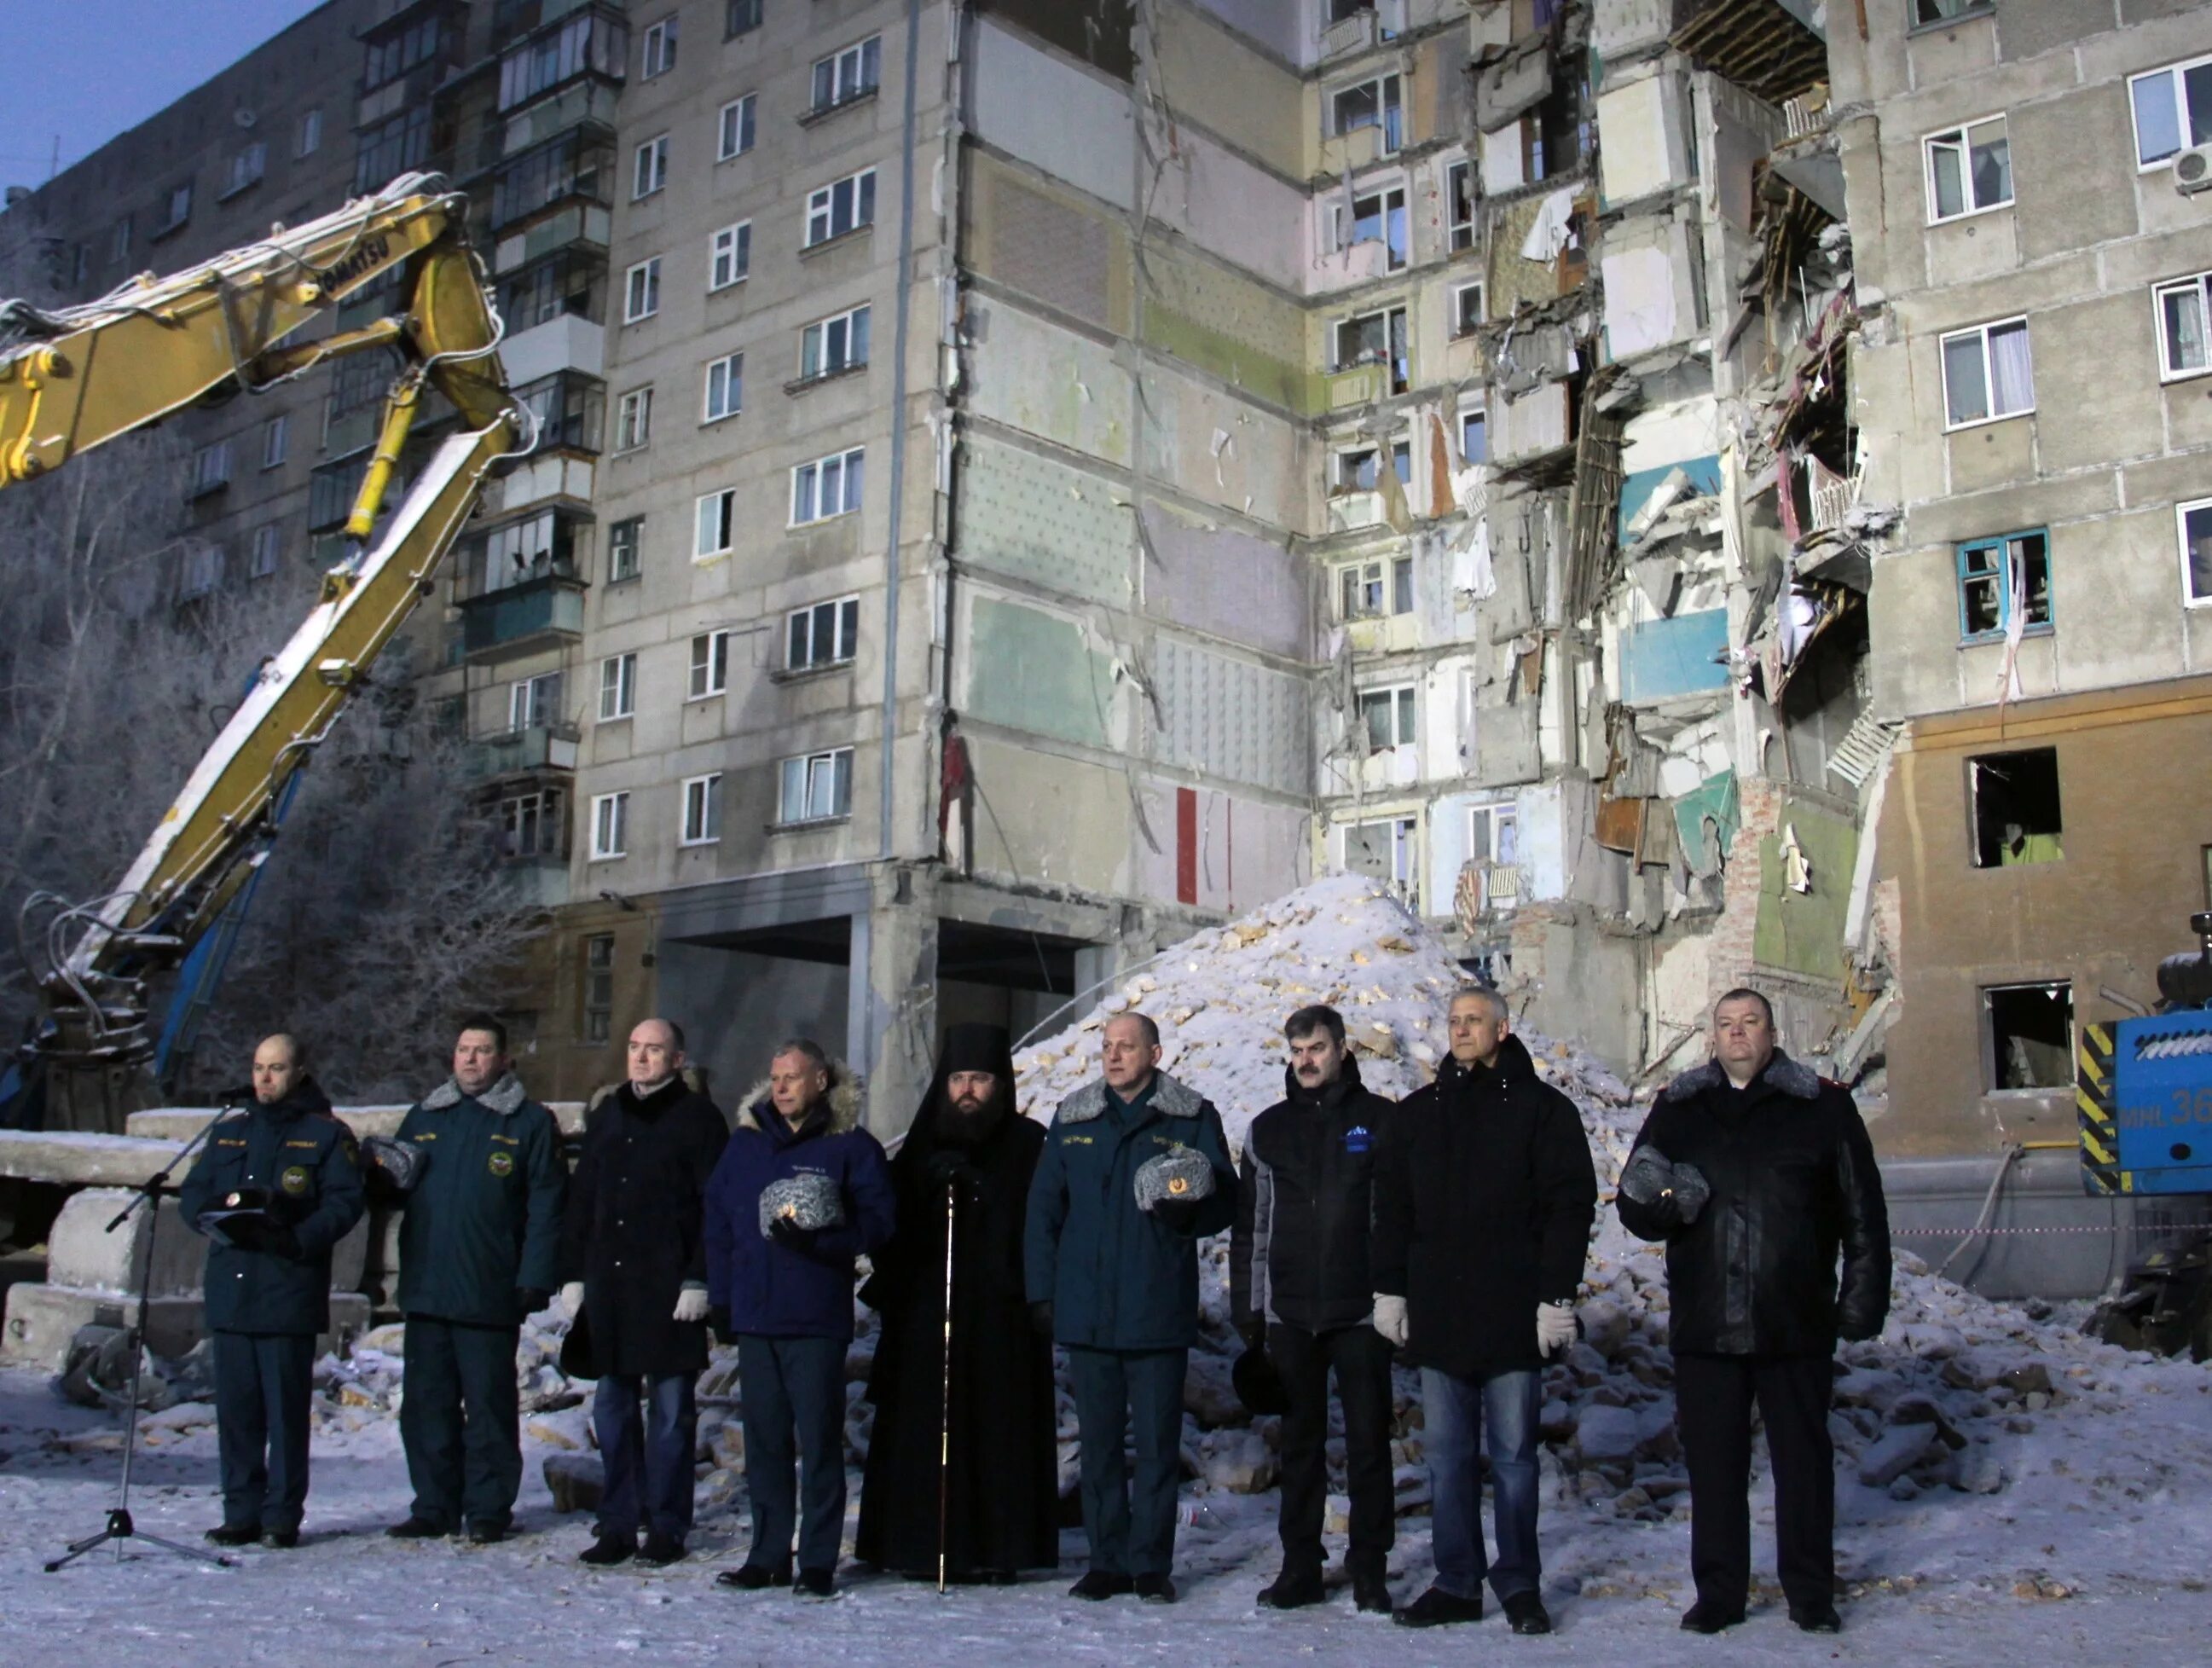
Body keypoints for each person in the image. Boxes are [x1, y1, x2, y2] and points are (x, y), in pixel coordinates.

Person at [1617, 988, 1891, 1636]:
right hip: (1708, 1320)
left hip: (1793, 1318)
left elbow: (1863, 1213)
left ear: (1772, 1032)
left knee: (1804, 1465)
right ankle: (1719, 1594)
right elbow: (1634, 1202)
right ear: (1711, 1036)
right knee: (1714, 1469)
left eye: (1751, 1022)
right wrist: (1664, 1203)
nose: (1738, 1033)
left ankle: (1810, 1594)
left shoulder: (1822, 1107)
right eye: (1726, 1024)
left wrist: (1859, 1300)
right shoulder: (1680, 1108)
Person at [1371, 986, 1596, 1634]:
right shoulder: (1417, 1116)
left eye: (1474, 1021)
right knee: (1446, 1459)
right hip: (1441, 1315)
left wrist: (1557, 1297)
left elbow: (1569, 1208)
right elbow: (1393, 1213)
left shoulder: (1543, 1112)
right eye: (1454, 1022)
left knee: (1516, 1459)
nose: (1462, 1031)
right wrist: (1390, 1289)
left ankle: (1520, 1583)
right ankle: (1457, 1580)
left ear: (1502, 1029)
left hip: (1513, 1314)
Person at [1025, 1011, 1236, 1606]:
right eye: (1108, 1047)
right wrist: (1043, 1293)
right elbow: (1044, 1212)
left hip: (1155, 1308)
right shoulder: (1073, 1118)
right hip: (1088, 1311)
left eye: (1127, 1047)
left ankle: (1150, 1565)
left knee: (1157, 1447)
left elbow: (1223, 1202)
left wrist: (1186, 1213)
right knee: (1098, 1448)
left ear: (1156, 1053)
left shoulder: (1191, 1116)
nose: (1114, 1056)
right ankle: (1105, 1561)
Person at [856, 1022, 1057, 1583]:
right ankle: (914, 1544)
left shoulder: (1028, 1144)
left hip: (1001, 1318)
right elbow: (889, 1230)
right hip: (926, 1317)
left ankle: (998, 1549)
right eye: (959, 1079)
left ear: (1001, 1084)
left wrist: (985, 1197)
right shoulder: (923, 1145)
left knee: (999, 1432)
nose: (967, 1090)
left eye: (980, 1079)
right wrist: (926, 1190)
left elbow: (1043, 1225)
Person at [704, 1039, 895, 1598]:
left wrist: (827, 1242)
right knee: (763, 1442)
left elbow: (880, 1222)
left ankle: (816, 1560)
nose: (781, 1087)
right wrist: (721, 1300)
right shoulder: (746, 1145)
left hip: (814, 1317)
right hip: (756, 1318)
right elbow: (717, 1220)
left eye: (792, 1077)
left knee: (818, 1440)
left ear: (820, 1082)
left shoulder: (851, 1147)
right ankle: (766, 1555)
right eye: (775, 1077)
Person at [370, 1014, 567, 1544]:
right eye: (463, 1050)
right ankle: (433, 1505)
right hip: (428, 1289)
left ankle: (487, 1508)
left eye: (482, 1051)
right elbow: (394, 1195)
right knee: (426, 1407)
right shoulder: (424, 1117)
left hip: (489, 1290)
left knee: (489, 1408)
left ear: (504, 1060)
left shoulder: (527, 1123)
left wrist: (535, 1275)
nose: (471, 1060)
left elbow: (548, 1204)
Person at [1231, 1005, 1398, 1613]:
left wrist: (1396, 1296)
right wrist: (1250, 1312)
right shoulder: (1267, 1130)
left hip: (1361, 1315)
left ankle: (1370, 1566)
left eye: (1317, 1049)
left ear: (1342, 1050)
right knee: (1299, 1448)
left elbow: (1397, 1220)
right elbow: (1250, 1228)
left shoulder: (1382, 1121)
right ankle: (1300, 1565)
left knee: (1368, 1444)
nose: (1306, 1061)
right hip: (1291, 1316)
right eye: (1297, 1050)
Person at [180, 1034, 364, 1549]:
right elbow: (193, 1194)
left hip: (286, 1290)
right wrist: (211, 1216)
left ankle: (281, 1516)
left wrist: (297, 1237)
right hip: (234, 1288)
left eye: (276, 1068)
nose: (264, 1078)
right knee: (237, 1415)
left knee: (284, 1415)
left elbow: (345, 1203)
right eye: (259, 1067)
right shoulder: (229, 1132)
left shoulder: (324, 1135)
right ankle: (239, 1512)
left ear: (299, 1072)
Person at [561, 1018, 729, 1568]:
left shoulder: (700, 1120)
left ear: (677, 1060)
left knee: (672, 1414)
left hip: (669, 1291)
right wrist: (574, 1274)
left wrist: (700, 1278)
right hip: (611, 1287)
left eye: (654, 1050)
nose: (641, 1058)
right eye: (634, 1048)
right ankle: (617, 1522)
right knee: (612, 1410)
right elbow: (583, 1198)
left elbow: (716, 1207)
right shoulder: (608, 1114)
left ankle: (666, 1524)